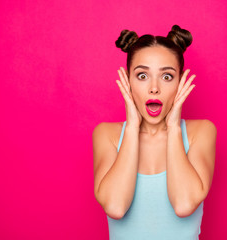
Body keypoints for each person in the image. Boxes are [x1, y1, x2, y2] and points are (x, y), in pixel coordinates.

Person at [93, 25, 217, 240]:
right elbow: (115, 207)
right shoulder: (107, 135)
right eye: (142, 76)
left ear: (180, 82)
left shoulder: (201, 131)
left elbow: (184, 204)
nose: (154, 88)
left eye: (167, 77)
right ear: (128, 81)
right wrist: (132, 126)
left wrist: (174, 127)